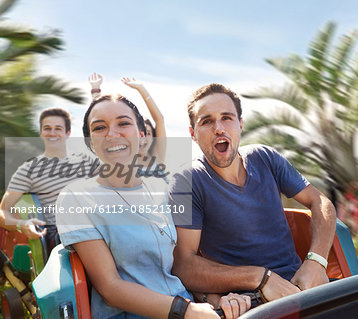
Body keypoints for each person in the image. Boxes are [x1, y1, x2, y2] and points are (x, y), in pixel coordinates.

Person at [55, 94, 251, 319]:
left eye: (123, 123)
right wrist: (186, 310)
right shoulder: (75, 198)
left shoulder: (161, 188)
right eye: (99, 128)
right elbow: (110, 287)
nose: (112, 134)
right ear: (90, 142)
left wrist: (212, 299)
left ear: (141, 135)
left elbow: (178, 265)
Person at [170, 83, 337, 306]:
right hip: (248, 301)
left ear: (240, 124)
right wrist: (260, 278)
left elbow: (320, 201)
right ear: (193, 133)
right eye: (207, 121)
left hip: (301, 286)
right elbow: (184, 265)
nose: (219, 128)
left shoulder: (265, 157)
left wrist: (316, 262)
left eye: (227, 118)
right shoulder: (186, 181)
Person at [0, 108, 98, 251]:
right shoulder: (28, 170)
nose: (52, 133)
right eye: (47, 128)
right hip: (60, 233)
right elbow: (2, 211)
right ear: (41, 132)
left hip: (95, 224)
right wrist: (22, 225)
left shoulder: (86, 161)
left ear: (68, 133)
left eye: (58, 128)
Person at [88, 73, 166, 171]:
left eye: (148, 133)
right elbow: (99, 115)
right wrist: (96, 89)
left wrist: (141, 88)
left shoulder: (157, 157)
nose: (143, 137)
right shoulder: (124, 161)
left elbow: (159, 119)